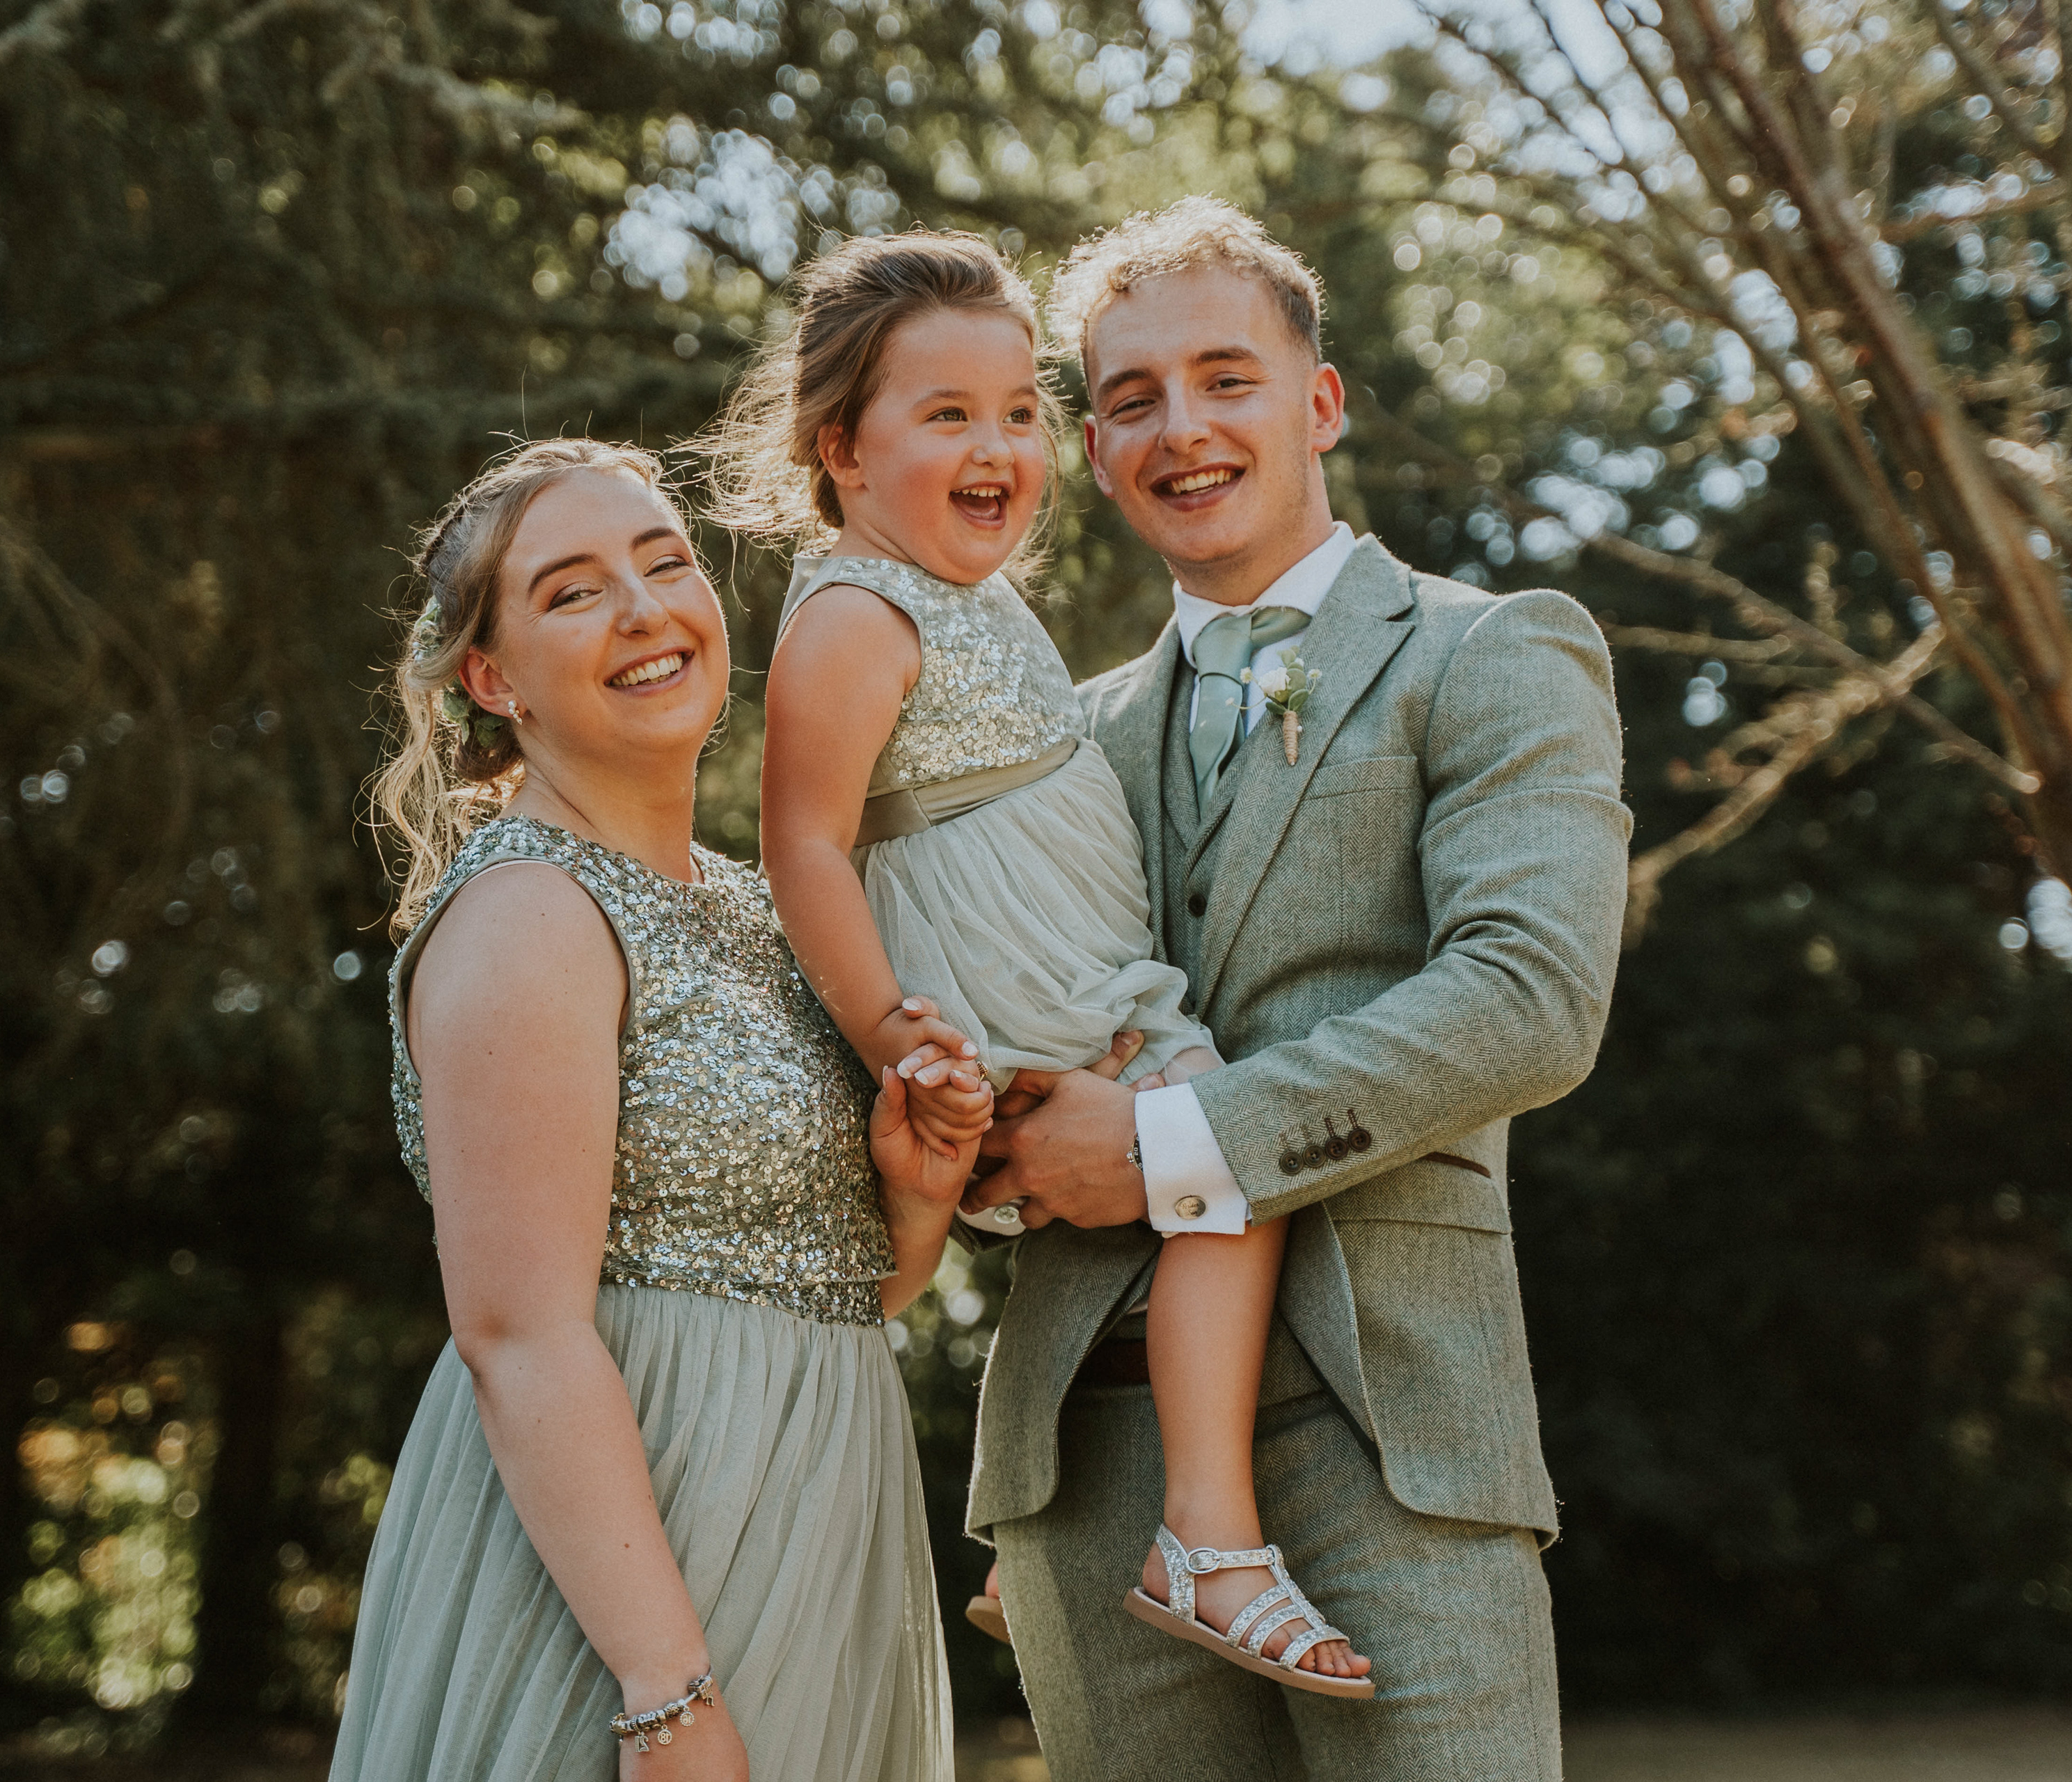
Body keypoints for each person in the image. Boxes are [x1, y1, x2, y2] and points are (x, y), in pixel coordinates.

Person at [961, 200, 1631, 1780]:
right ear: (1098, 442)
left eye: (1225, 378)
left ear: (1316, 403)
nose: (1179, 428)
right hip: (1083, 1455)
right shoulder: (1052, 735)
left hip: (1397, 1433)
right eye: (1129, 398)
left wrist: (1163, 1139)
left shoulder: (1492, 651)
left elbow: (1532, 993)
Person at [711, 231, 1373, 1695]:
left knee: (1141, 1219)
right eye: (946, 415)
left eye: (1019, 410)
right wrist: (894, 1034)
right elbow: (807, 846)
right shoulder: (854, 610)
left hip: (1064, 969)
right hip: (1001, 987)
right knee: (1221, 1165)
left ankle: (1035, 1543)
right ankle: (1208, 1534)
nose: (999, 445)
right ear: (842, 449)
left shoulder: (971, 592)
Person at [330, 439, 974, 1782]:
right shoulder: (526, 917)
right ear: (492, 681)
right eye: (571, 591)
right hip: (626, 1598)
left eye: (664, 561)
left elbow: (842, 1289)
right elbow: (518, 1333)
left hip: (819, 1523)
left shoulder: (769, 909)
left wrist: (914, 1190)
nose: (642, 609)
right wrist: (665, 1695)